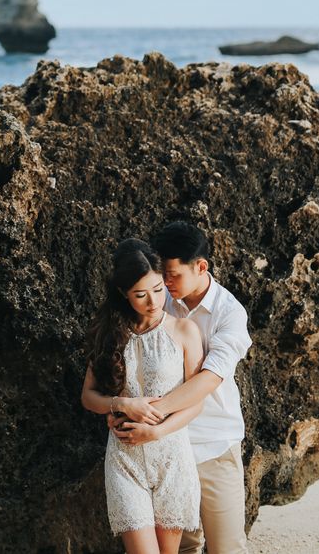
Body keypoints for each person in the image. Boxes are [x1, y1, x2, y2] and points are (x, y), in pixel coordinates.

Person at [115, 222, 252, 554]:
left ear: (201, 267)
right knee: (183, 549)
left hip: (213, 445)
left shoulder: (229, 313)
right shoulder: (159, 299)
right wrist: (121, 409)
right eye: (163, 275)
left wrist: (151, 414)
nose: (165, 283)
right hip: (168, 452)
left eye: (173, 275)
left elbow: (209, 379)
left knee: (226, 547)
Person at [81, 239, 205, 554]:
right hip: (124, 460)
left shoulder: (184, 331)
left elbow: (196, 401)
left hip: (172, 458)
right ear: (124, 294)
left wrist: (157, 430)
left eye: (158, 289)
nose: (153, 301)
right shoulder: (108, 334)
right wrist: (120, 403)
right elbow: (88, 397)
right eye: (140, 294)